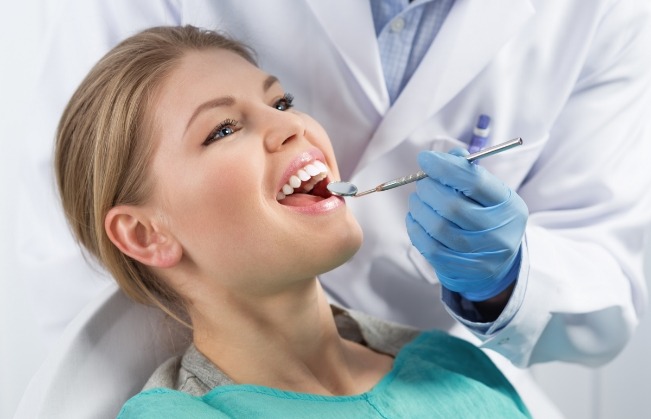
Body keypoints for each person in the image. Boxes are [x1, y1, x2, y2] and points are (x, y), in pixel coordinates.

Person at [16, 0, 651, 416]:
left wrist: (508, 280)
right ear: (143, 233)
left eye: (284, 102)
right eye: (222, 131)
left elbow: (604, 264)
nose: (292, 127)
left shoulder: (463, 379)